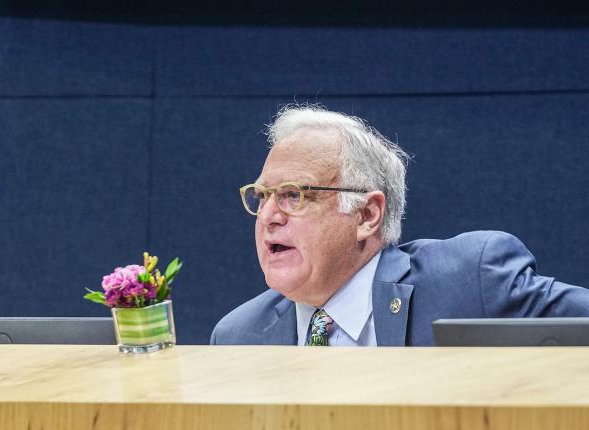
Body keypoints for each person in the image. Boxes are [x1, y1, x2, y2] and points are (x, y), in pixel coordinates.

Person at [211, 105, 589, 346]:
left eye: (293, 195)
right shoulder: (238, 335)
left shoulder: (472, 282)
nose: (269, 216)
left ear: (367, 214)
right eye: (262, 195)